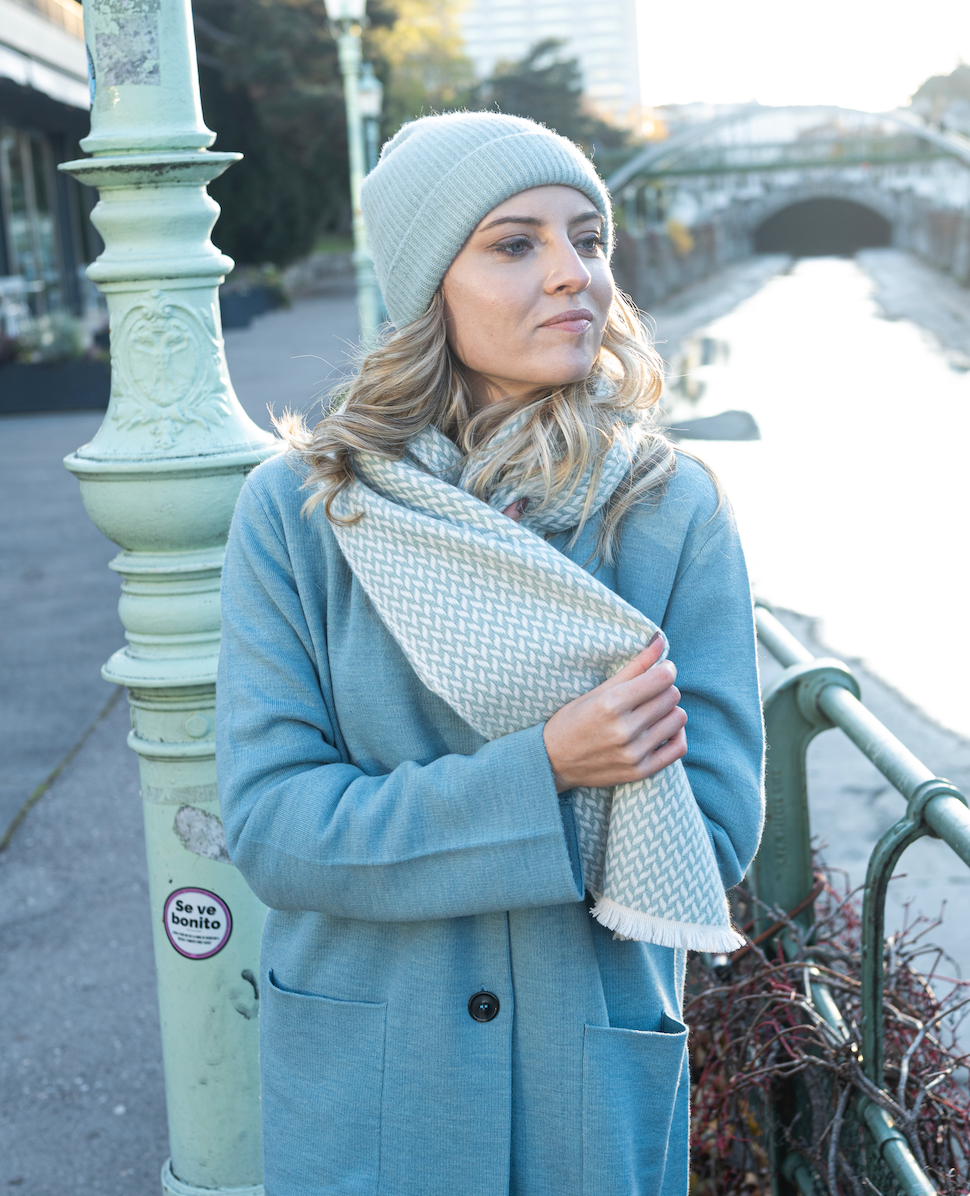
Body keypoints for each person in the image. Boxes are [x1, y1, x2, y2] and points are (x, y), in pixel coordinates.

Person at [216, 111, 764, 1196]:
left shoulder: (669, 507)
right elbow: (276, 830)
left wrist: (428, 814)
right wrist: (548, 768)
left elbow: (710, 827)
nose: (573, 274)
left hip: (583, 1092)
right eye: (515, 243)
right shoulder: (303, 511)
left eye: (589, 237)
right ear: (431, 283)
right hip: (377, 1091)